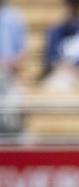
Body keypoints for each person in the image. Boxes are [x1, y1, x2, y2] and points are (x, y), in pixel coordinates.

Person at [0, 0, 27, 132]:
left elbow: (23, 48)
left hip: (11, 73)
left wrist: (12, 63)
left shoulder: (13, 15)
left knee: (14, 99)